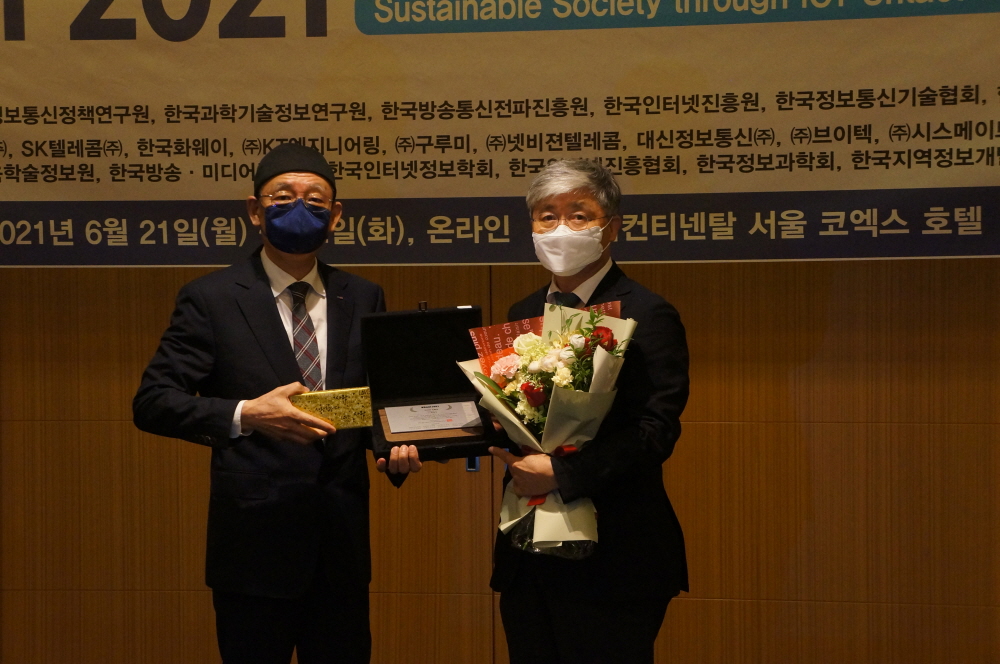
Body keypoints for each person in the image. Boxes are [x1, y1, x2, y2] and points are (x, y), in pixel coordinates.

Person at [132, 142, 420, 664]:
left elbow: (372, 402)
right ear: (254, 209)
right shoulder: (212, 298)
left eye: (315, 199)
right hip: (253, 549)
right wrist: (246, 414)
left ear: (335, 216)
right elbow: (153, 401)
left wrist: (396, 447)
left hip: (340, 550)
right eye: (282, 197)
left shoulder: (363, 295)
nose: (299, 207)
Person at [488, 159, 690, 664]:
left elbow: (655, 431)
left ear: (610, 227)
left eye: (578, 215)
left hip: (616, 555)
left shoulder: (647, 313)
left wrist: (562, 473)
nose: (561, 228)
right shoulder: (522, 313)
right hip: (529, 552)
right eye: (547, 216)